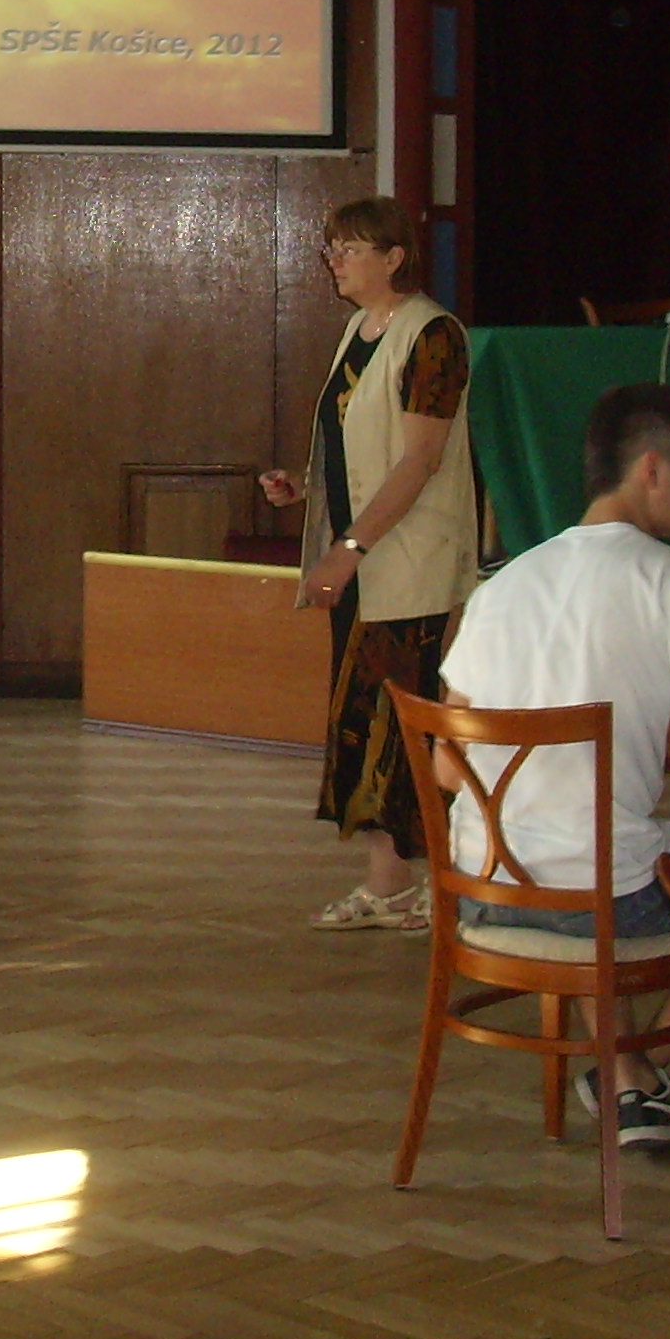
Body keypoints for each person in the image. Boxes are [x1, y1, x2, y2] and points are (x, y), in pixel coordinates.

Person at [439, 382, 670, 1144]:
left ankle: (631, 1080)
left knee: (605, 839)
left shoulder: (503, 587)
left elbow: (448, 768)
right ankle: (634, 1071)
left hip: (482, 885)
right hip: (601, 897)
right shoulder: (669, 578)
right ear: (651, 469)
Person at [257, 197, 479, 934]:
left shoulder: (434, 336)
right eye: (332, 248)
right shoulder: (359, 330)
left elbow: (420, 459)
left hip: (408, 565)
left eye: (351, 249)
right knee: (367, 723)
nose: (336, 262)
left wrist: (347, 549)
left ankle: (446, 885)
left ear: (394, 258)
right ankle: (390, 886)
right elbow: (364, 448)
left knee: (407, 727)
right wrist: (306, 490)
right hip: (366, 562)